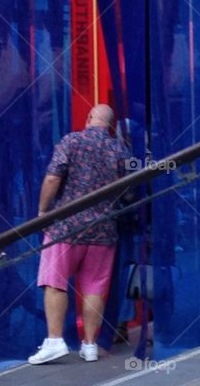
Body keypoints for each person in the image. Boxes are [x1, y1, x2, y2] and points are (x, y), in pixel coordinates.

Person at [28, 104, 130, 364]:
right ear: (110, 125)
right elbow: (128, 192)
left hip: (66, 227)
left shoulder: (71, 141)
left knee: (55, 282)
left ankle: (54, 341)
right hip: (103, 230)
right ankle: (90, 345)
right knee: (94, 287)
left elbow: (53, 178)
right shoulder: (120, 149)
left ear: (88, 119)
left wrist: (43, 211)